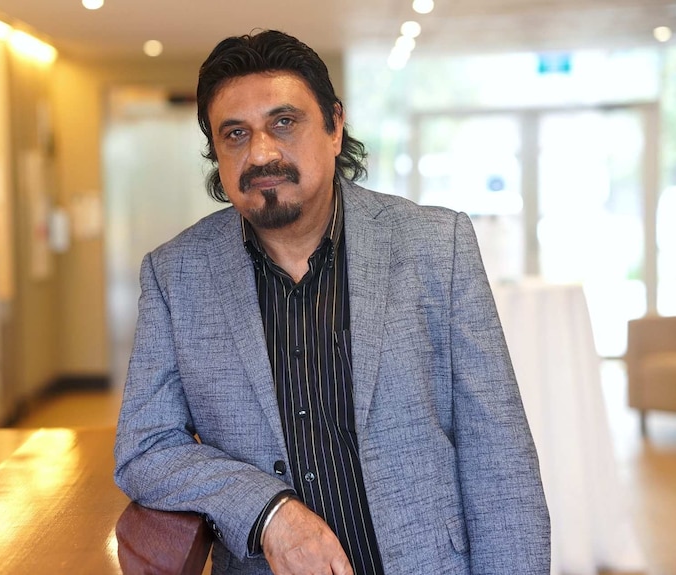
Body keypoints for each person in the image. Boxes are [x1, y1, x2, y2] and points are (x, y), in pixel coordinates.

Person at [114, 29, 550, 575]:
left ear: (335, 126)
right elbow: (145, 447)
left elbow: (500, 459)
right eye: (235, 134)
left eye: (284, 122)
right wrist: (267, 511)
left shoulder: (436, 246)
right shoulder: (175, 274)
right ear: (217, 155)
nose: (262, 152)